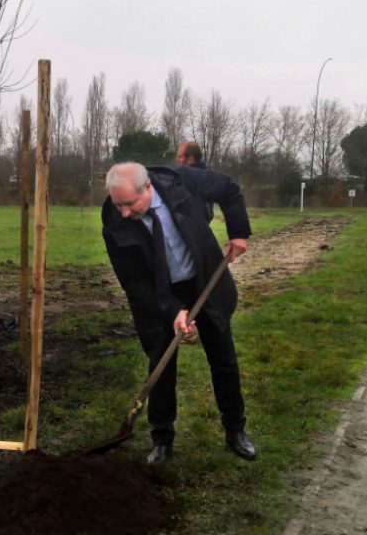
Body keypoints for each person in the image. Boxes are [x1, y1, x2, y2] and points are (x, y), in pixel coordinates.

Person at [102, 161, 256, 463]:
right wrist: (172, 310)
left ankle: (235, 430)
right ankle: (162, 440)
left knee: (223, 358)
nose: (124, 212)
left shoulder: (183, 182)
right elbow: (133, 281)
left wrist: (239, 232)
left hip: (203, 281)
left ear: (148, 188)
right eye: (119, 204)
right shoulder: (114, 219)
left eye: (130, 204)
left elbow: (229, 189)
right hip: (157, 295)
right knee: (161, 365)